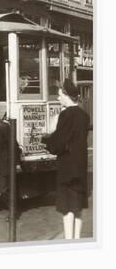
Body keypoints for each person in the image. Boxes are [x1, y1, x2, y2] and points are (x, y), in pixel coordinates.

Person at [42, 79, 90, 239]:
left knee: (67, 208)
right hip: (81, 168)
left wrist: (46, 140)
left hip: (67, 169)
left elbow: (59, 143)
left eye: (59, 95)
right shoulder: (84, 115)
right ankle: (77, 240)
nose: (58, 98)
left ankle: (69, 242)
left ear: (67, 96)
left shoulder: (65, 115)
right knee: (78, 208)